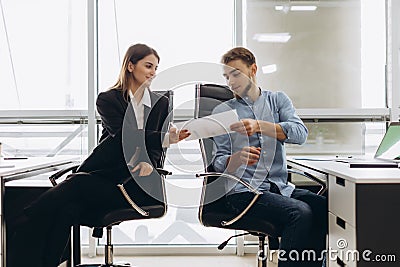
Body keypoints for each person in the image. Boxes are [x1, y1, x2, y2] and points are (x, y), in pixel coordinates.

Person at [8, 43, 190, 267]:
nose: (153, 72)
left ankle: (26, 217)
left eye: (156, 68)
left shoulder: (160, 104)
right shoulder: (108, 99)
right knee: (67, 210)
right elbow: (125, 135)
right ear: (131, 66)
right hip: (104, 177)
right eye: (148, 66)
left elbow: (152, 149)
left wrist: (149, 162)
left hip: (138, 185)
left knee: (76, 183)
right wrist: (162, 136)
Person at [212, 47, 327, 267]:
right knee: (299, 212)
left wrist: (259, 126)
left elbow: (300, 134)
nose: (230, 82)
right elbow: (218, 162)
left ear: (253, 69)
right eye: (227, 77)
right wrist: (237, 158)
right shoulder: (223, 112)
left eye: (236, 73)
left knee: (324, 208)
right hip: (243, 192)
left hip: (280, 187)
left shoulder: (277, 100)